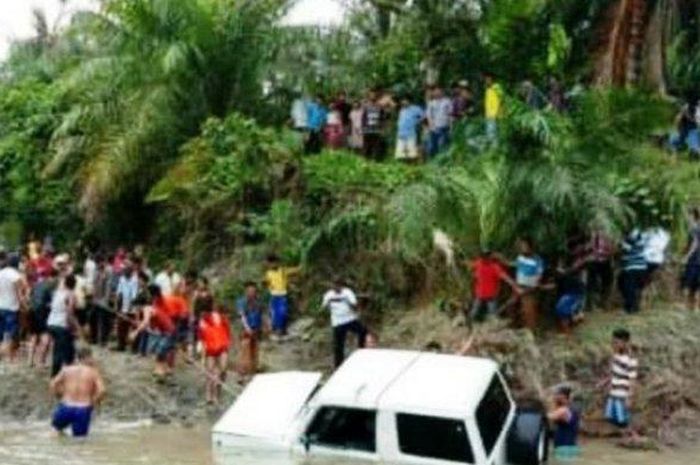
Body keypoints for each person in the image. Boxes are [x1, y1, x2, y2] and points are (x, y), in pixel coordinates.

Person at [50, 344, 106, 438]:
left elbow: (53, 384)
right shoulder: (93, 372)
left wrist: (59, 396)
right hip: (83, 408)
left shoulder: (66, 369)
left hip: (66, 406)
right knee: (79, 441)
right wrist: (94, 402)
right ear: (88, 357)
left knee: (55, 431)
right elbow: (102, 390)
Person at [130, 285, 178, 380]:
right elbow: (150, 323)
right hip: (167, 330)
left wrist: (135, 332)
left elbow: (146, 322)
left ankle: (161, 373)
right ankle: (163, 371)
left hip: (169, 331)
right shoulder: (152, 307)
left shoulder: (147, 308)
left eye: (137, 306)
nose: (136, 309)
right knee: (161, 351)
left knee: (161, 352)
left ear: (140, 305)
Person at [322, 278, 367, 368]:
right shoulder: (328, 295)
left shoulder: (347, 292)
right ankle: (338, 365)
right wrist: (329, 303)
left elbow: (355, 304)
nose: (336, 288)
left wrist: (347, 302)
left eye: (338, 286)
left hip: (350, 319)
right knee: (338, 345)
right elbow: (324, 307)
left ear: (342, 286)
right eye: (334, 286)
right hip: (338, 322)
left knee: (363, 331)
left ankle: (362, 351)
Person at [603, 329, 639, 436]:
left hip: (622, 394)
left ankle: (631, 436)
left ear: (625, 343)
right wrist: (606, 382)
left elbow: (632, 380)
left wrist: (630, 397)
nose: (613, 345)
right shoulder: (615, 355)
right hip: (613, 393)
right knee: (610, 416)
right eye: (613, 342)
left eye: (616, 342)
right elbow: (614, 372)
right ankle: (627, 435)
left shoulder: (631, 360)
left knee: (622, 419)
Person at [468, 249, 520, 322]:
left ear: (489, 257)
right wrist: (473, 273)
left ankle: (493, 328)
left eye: (486, 256)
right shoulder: (478, 263)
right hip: (480, 294)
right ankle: (469, 324)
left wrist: (513, 284)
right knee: (474, 313)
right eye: (483, 256)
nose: (484, 258)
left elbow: (504, 276)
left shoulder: (495, 267)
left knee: (493, 315)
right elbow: (470, 266)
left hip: (491, 295)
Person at [198, 299, 232, 405]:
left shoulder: (218, 317)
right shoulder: (201, 323)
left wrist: (228, 342)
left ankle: (218, 394)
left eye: (204, 313)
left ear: (209, 312)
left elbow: (227, 329)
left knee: (223, 369)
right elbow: (202, 341)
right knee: (210, 372)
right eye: (201, 314)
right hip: (210, 350)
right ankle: (209, 395)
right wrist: (202, 358)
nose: (203, 316)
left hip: (222, 347)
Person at [47, 274, 80, 377]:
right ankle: (64, 376)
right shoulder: (71, 295)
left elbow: (51, 306)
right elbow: (70, 313)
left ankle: (55, 374)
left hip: (51, 323)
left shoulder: (57, 293)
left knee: (58, 349)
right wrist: (76, 328)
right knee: (66, 352)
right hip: (61, 325)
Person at [264, 255, 300, 339]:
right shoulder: (268, 273)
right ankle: (277, 330)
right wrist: (266, 284)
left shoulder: (282, 271)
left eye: (274, 263)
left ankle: (281, 330)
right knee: (275, 314)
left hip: (282, 295)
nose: (272, 265)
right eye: (270, 263)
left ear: (277, 262)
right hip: (273, 295)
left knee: (283, 312)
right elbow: (267, 283)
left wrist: (299, 268)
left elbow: (292, 271)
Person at [28, 269, 58, 367]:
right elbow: (52, 302)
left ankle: (30, 361)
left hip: (32, 311)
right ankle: (41, 362)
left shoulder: (36, 284)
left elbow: (30, 297)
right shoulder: (51, 286)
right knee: (46, 336)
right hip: (42, 313)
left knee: (34, 336)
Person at [236, 282, 266, 380]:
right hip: (246, 329)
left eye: (253, 291)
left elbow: (261, 315)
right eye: (250, 291)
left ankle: (253, 373)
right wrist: (247, 328)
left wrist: (265, 326)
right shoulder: (242, 302)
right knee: (245, 351)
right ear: (246, 291)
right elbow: (242, 316)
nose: (252, 292)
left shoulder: (258, 302)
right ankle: (242, 374)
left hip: (256, 328)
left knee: (255, 351)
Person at [0, 252, 26, 363]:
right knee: (10, 334)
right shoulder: (15, 275)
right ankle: (9, 357)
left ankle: (3, 356)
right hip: (11, 308)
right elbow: (22, 290)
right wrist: (24, 305)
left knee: (1, 334)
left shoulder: (1, 273)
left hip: (0, 306)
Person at [515, 238, 544, 329]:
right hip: (520, 287)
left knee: (530, 311)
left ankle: (532, 331)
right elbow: (516, 266)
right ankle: (526, 330)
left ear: (531, 247)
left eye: (525, 246)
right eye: (522, 246)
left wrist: (530, 288)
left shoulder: (537, 260)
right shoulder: (520, 258)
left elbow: (539, 277)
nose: (523, 248)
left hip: (530, 289)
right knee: (523, 310)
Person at [553, 257, 586, 335]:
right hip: (573, 294)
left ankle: (567, 332)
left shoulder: (568, 272)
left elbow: (554, 285)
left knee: (562, 311)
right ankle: (576, 319)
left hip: (574, 294)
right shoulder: (565, 273)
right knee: (564, 312)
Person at [618, 229, 648, 314]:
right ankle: (634, 307)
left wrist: (620, 242)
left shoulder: (634, 234)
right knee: (624, 285)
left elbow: (626, 248)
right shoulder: (639, 234)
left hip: (633, 267)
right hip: (638, 267)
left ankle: (629, 309)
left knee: (629, 288)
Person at [547, 386, 580, 460]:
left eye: (556, 394)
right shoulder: (571, 408)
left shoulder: (564, 410)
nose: (554, 396)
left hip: (564, 449)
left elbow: (546, 417)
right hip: (568, 447)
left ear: (563, 396)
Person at [587, 228, 616, 310]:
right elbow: (588, 249)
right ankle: (592, 304)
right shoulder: (592, 237)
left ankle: (604, 303)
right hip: (593, 262)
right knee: (592, 284)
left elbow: (612, 250)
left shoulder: (609, 238)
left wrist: (603, 253)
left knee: (606, 283)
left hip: (605, 262)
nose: (600, 231)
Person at [89, 255, 113, 346]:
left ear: (103, 261)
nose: (98, 264)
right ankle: (94, 338)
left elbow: (108, 287)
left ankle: (103, 340)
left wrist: (105, 301)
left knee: (103, 320)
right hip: (95, 299)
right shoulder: (96, 271)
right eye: (97, 263)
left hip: (103, 299)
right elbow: (94, 284)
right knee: (92, 318)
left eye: (99, 262)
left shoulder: (108, 271)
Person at [115, 262, 139, 351]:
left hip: (132, 307)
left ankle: (134, 347)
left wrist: (130, 308)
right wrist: (117, 307)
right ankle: (121, 345)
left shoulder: (134, 280)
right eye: (124, 271)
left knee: (133, 327)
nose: (125, 272)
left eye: (127, 270)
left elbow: (134, 295)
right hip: (123, 306)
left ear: (131, 271)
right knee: (121, 328)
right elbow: (119, 293)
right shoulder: (122, 279)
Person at [395, 96, 425, 162]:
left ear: (409, 101)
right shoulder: (402, 110)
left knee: (412, 152)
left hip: (411, 132)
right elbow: (400, 121)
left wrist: (417, 121)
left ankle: (413, 164)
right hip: (401, 133)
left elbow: (423, 116)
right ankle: (404, 165)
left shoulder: (415, 108)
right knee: (401, 153)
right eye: (402, 101)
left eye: (405, 100)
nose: (403, 102)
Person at [426, 86, 452, 157]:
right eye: (435, 91)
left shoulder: (447, 101)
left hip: (444, 127)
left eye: (439, 91)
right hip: (433, 128)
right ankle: (432, 163)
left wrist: (451, 127)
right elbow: (429, 116)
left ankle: (442, 163)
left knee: (443, 146)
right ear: (433, 93)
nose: (437, 93)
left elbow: (450, 115)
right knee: (432, 147)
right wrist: (430, 126)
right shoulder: (431, 103)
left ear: (442, 92)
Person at [682, 208, 700, 311]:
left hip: (694, 260)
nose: (687, 218)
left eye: (689, 215)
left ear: (693, 216)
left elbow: (694, 244)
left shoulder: (694, 228)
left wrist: (686, 256)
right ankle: (696, 307)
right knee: (697, 285)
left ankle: (684, 306)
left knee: (687, 283)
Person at [362, 90, 386, 160]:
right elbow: (363, 118)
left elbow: (382, 118)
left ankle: (375, 160)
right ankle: (366, 160)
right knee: (367, 146)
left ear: (376, 97)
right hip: (367, 129)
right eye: (371, 95)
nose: (372, 97)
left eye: (374, 95)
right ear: (369, 97)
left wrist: (382, 128)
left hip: (376, 129)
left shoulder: (380, 107)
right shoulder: (366, 106)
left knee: (376, 146)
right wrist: (363, 127)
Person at [483, 72, 504, 142]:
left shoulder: (497, 87)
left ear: (492, 79)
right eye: (486, 79)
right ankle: (492, 150)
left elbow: (502, 99)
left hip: (496, 115)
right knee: (490, 134)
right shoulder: (487, 89)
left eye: (488, 79)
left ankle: (495, 150)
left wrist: (500, 112)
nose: (487, 80)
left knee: (494, 134)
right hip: (489, 115)